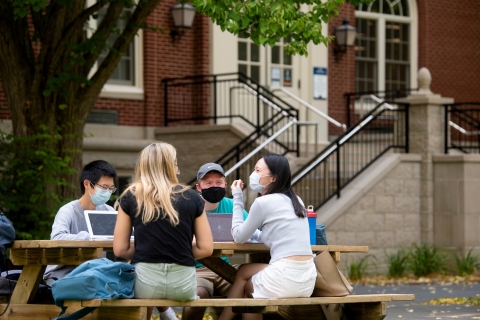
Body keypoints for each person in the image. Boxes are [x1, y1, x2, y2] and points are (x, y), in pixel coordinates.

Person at [113, 143, 213, 320]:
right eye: (175, 163)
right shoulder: (192, 198)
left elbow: (120, 249)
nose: (177, 167)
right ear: (170, 166)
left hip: (145, 284)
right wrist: (178, 251)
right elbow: (206, 248)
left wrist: (149, 250)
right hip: (183, 286)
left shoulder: (130, 196)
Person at [218, 154, 317, 320]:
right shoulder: (296, 200)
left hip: (285, 277)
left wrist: (237, 197)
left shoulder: (263, 202)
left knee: (249, 288)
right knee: (244, 271)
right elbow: (270, 236)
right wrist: (252, 234)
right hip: (307, 278)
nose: (253, 174)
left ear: (273, 178)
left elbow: (238, 236)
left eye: (258, 170)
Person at [182, 163, 248, 320]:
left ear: (225, 185)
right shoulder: (188, 206)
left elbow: (250, 231)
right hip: (196, 270)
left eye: (218, 183)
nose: (214, 186)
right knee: (197, 296)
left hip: (224, 268)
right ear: (199, 187)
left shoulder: (232, 205)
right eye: (208, 183)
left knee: (252, 287)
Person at [43, 160, 117, 285]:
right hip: (62, 272)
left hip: (94, 271)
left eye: (111, 189)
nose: (108, 192)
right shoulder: (68, 211)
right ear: (87, 184)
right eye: (104, 187)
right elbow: (57, 237)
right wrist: (91, 238)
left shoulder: (108, 211)